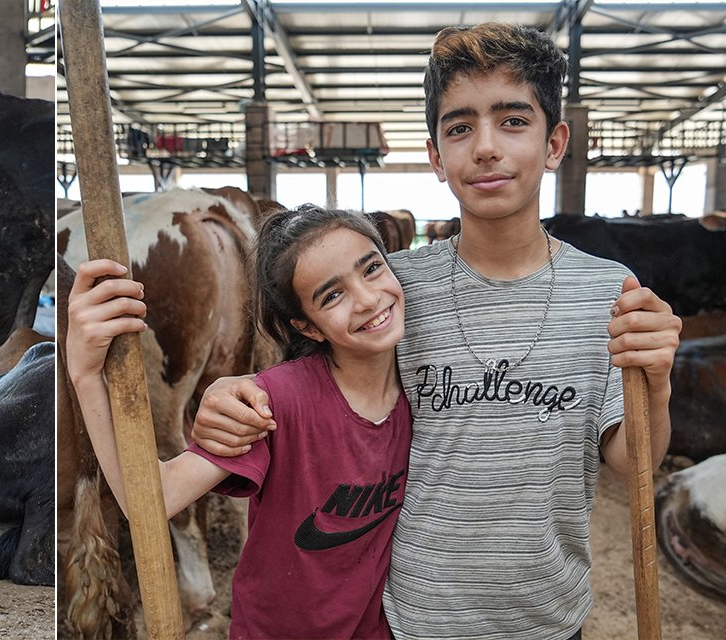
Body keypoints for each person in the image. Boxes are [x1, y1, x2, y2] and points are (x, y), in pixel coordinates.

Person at [191, 23, 681, 640]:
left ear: (555, 142)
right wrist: (229, 395)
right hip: (416, 616)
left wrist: (657, 383)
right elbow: (314, 386)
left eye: (512, 121)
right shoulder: (395, 289)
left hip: (548, 618)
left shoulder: (610, 293)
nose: (485, 148)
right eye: (459, 128)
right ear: (435, 156)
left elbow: (631, 461)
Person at [67, 205, 412, 640]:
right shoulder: (274, 403)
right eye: (332, 295)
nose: (367, 298)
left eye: (372, 269)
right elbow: (154, 499)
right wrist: (84, 375)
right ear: (307, 327)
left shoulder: (428, 392)